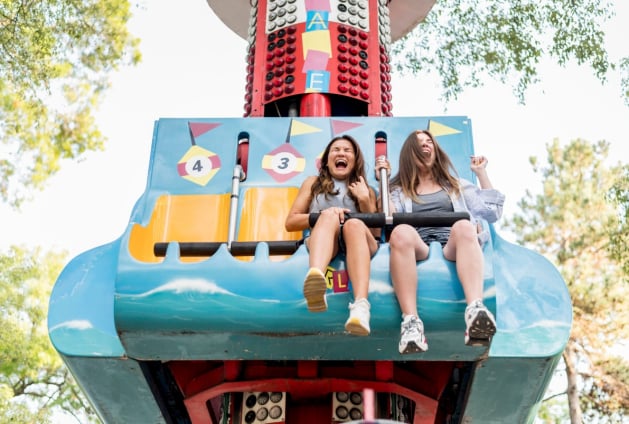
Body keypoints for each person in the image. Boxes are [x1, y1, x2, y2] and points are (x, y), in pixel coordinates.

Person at [377, 129, 505, 354]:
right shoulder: (399, 190)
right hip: (420, 245)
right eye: (419, 143)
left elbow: (492, 213)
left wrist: (481, 173)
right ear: (410, 153)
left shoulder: (456, 185)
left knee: (464, 225)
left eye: (429, 142)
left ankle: (475, 309)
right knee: (400, 232)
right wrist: (384, 182)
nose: (426, 145)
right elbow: (387, 217)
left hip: (451, 245)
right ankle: (411, 322)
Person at [285, 135, 380, 336]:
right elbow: (291, 222)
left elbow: (375, 233)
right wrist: (323, 214)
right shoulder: (313, 183)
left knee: (353, 224)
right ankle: (316, 281)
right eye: (336, 150)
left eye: (347, 150)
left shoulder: (366, 188)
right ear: (327, 161)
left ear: (355, 160)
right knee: (328, 216)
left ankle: (361, 306)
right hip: (326, 238)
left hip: (359, 240)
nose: (341, 153)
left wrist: (364, 200)